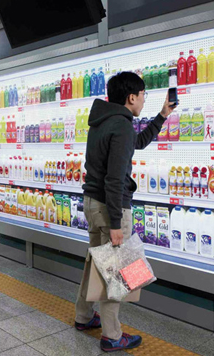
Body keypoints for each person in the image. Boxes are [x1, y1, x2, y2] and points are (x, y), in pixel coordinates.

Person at [74, 72, 176, 352]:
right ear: (131, 97)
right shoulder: (120, 124)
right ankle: (112, 335)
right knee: (115, 272)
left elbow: (137, 143)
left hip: (93, 204)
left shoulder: (104, 119)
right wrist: (117, 222)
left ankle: (83, 316)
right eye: (143, 95)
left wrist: (162, 115)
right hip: (110, 208)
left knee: (96, 263)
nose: (144, 100)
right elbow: (115, 179)